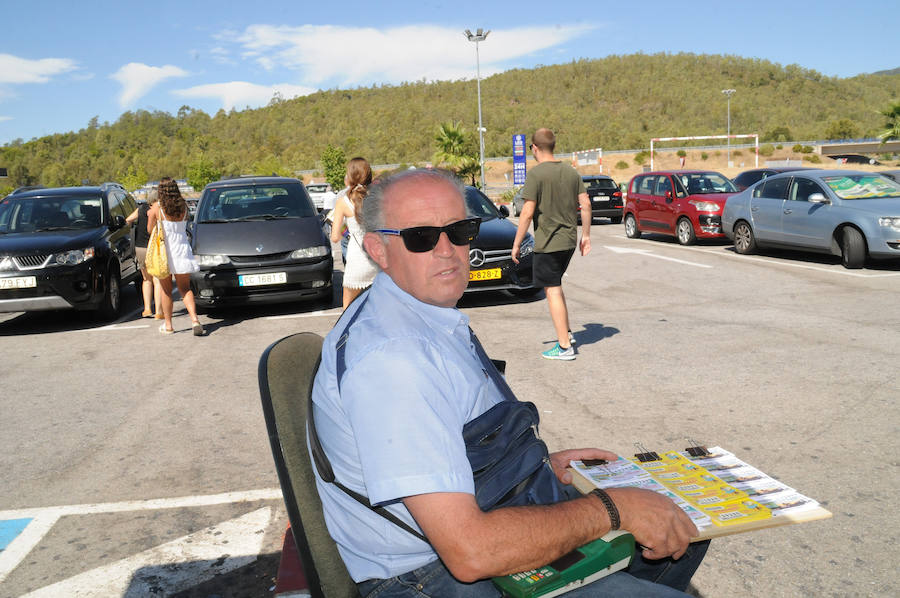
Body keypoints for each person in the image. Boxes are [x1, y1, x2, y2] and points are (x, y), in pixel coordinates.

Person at [310, 168, 708, 597]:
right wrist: (613, 509)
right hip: (428, 575)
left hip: (460, 529)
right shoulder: (394, 360)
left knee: (684, 528)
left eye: (460, 231)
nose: (448, 251)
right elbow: (471, 553)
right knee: (649, 527)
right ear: (378, 250)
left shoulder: (413, 311)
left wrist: (528, 466)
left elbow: (449, 432)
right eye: (421, 237)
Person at [512, 128, 592, 361]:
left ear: (535, 148)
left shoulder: (536, 175)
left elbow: (526, 212)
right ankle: (566, 332)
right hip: (567, 241)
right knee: (555, 284)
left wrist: (517, 243)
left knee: (552, 289)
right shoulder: (571, 171)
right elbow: (585, 205)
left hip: (548, 242)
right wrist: (585, 235)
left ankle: (564, 346)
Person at [147, 177, 204, 336]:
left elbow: (150, 230)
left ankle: (168, 325)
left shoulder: (157, 208)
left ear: (161, 191)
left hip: (165, 253)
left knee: (166, 291)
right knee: (185, 289)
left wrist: (152, 215)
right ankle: (194, 320)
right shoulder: (184, 206)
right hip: (182, 250)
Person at [328, 157, 378, 310]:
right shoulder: (378, 198)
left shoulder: (343, 202)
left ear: (350, 177)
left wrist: (347, 228)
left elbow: (335, 237)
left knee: (348, 311)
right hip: (378, 262)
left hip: (357, 263)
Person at [126, 189, 163, 318]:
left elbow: (128, 219)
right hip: (155, 247)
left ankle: (147, 309)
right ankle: (159, 311)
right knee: (157, 279)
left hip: (140, 247)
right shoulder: (159, 209)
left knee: (146, 279)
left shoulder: (141, 208)